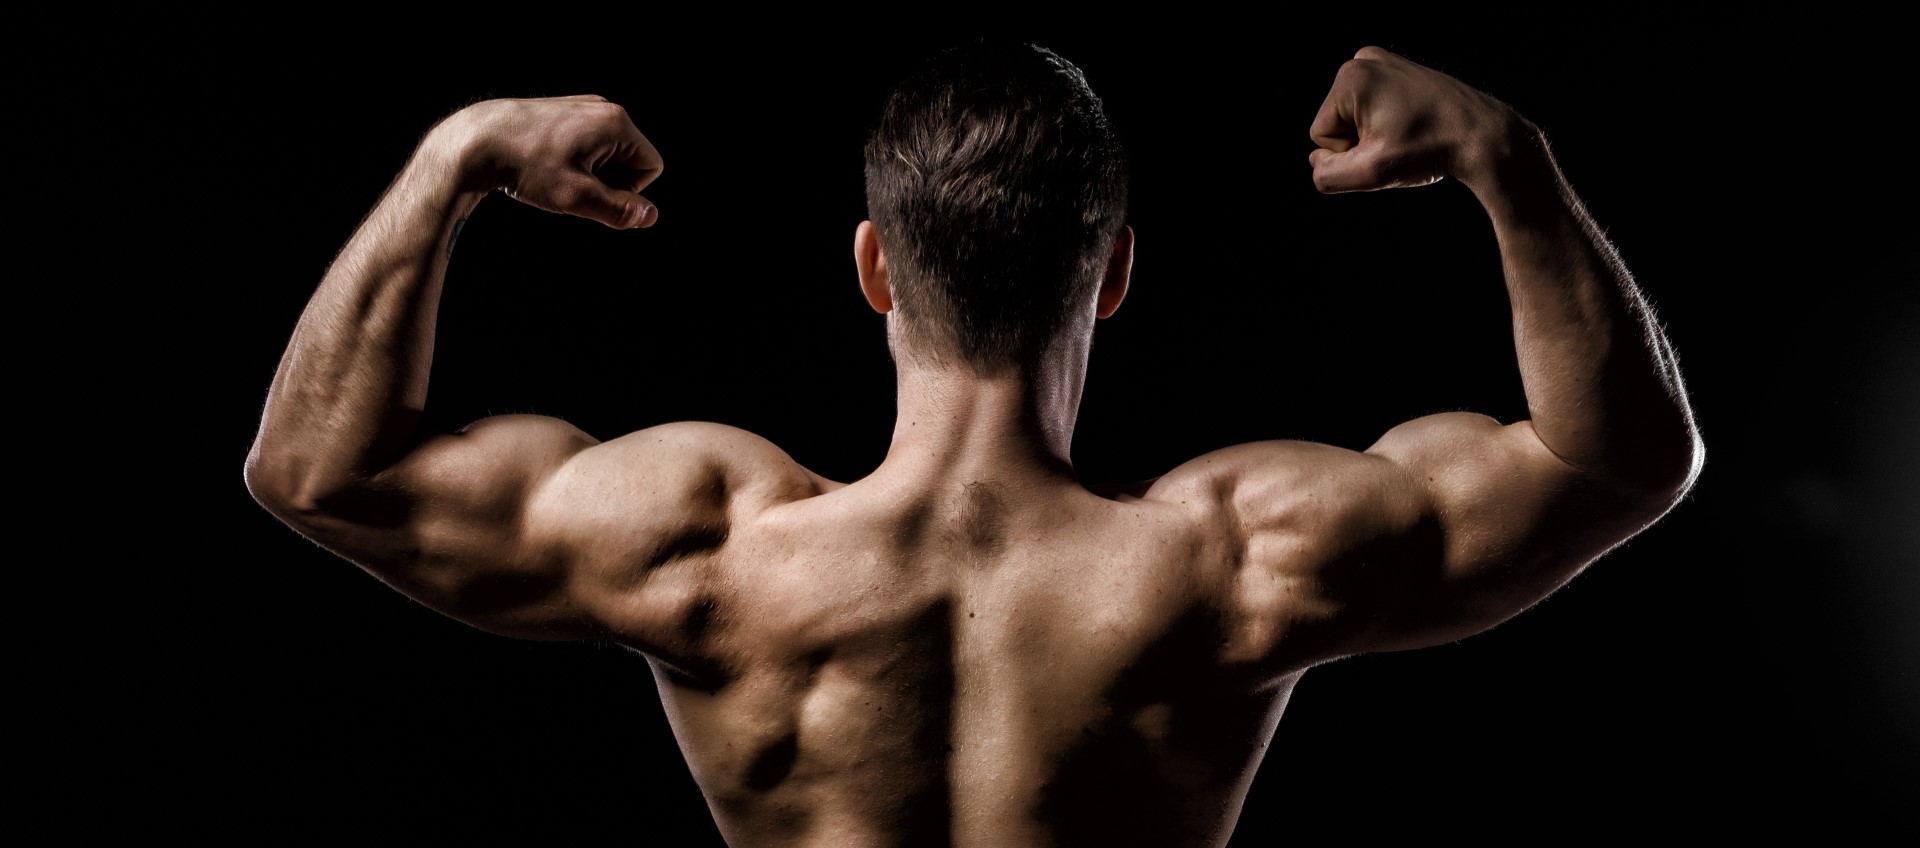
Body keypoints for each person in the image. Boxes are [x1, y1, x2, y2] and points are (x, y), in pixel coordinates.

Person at [245, 40, 1703, 847]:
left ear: (876, 267)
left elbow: (317, 469)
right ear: (1115, 273)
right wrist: (1506, 161)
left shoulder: (710, 545)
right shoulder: (1235, 559)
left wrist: (459, 159)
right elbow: (1621, 462)